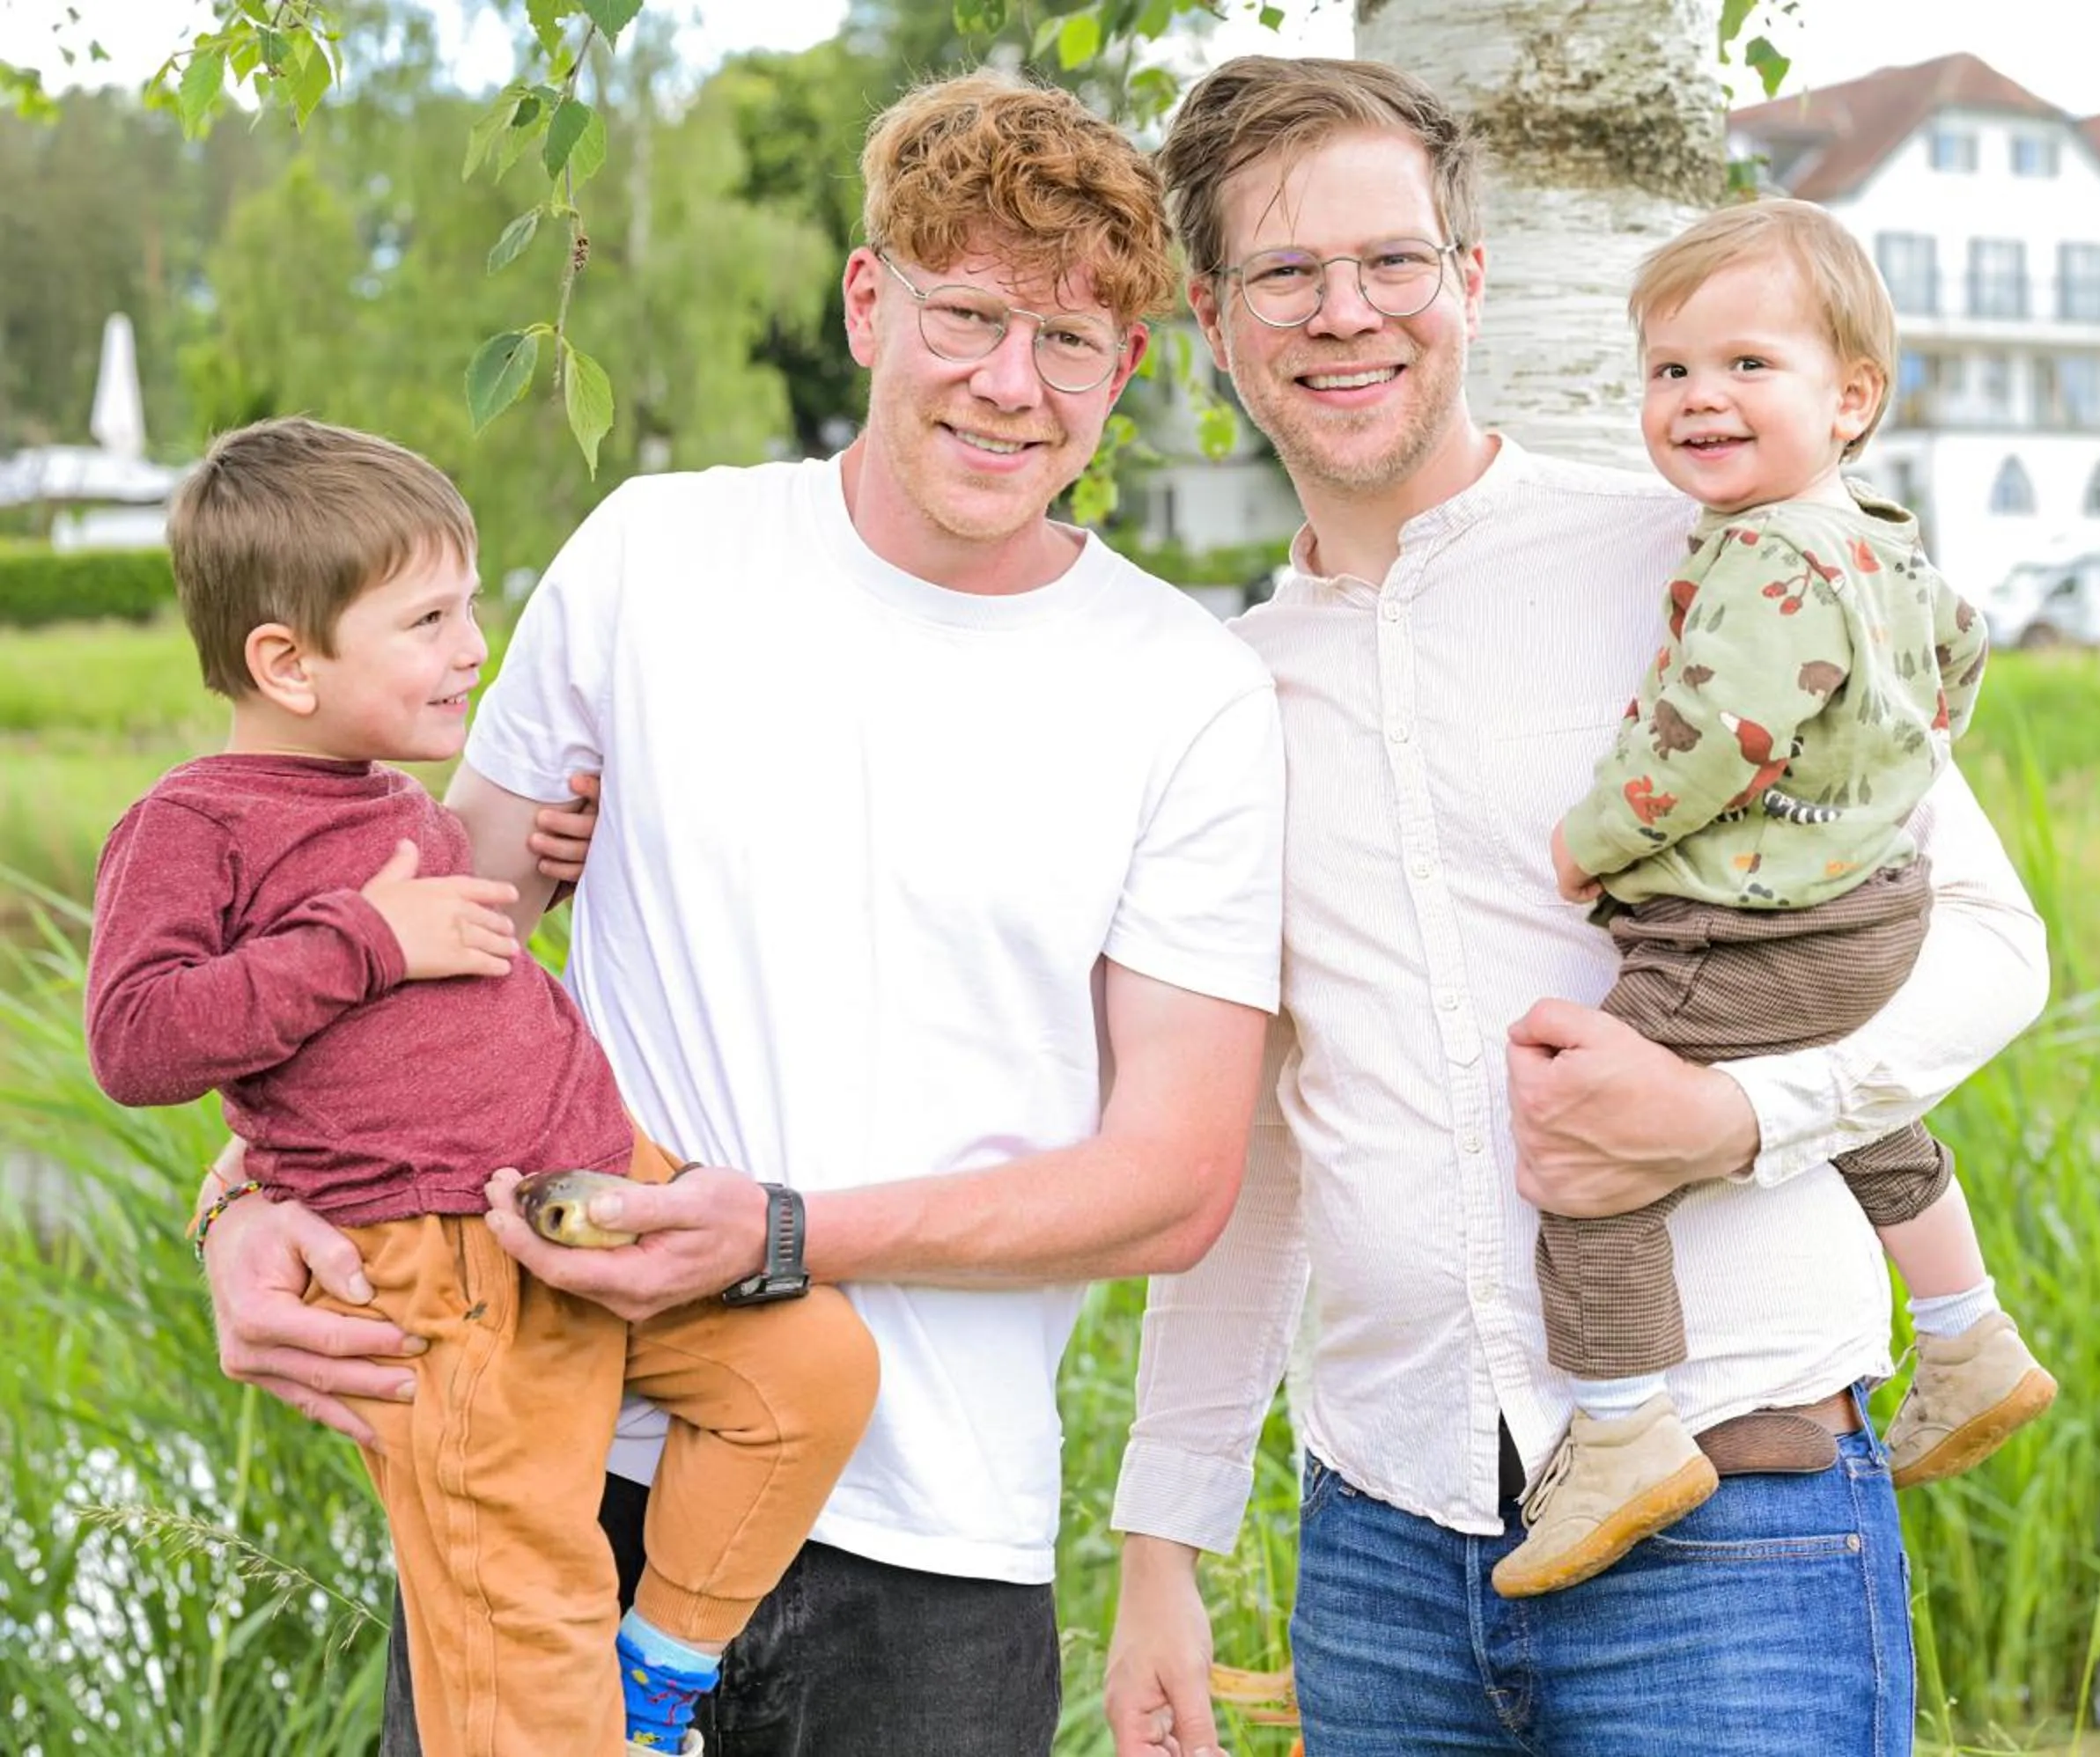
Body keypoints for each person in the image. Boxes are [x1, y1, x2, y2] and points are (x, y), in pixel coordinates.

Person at [191, 71, 1285, 1756]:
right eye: (969, 314)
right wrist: (241, 1206)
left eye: (1070, 341)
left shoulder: (1192, 693)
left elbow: (1176, 1183)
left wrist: (779, 1236)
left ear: (1127, 366)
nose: (1012, 382)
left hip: (933, 1554)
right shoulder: (653, 560)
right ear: (869, 302)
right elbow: (418, 953)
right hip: (564, 1469)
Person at [1105, 57, 2048, 1757]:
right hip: (1382, 1560)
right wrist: (1162, 1547)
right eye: (1286, 274)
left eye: (1394, 259)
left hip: (1736, 1534)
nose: (1347, 314)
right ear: (1212, 316)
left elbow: (1986, 946)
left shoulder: (1705, 562)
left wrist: (1732, 1115)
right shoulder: (1220, 694)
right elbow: (1245, 1149)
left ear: (1469, 280)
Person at [88, 415, 879, 1757]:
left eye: (472, 604)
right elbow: (137, 1037)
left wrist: (526, 867)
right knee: (521, 1627)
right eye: (430, 618)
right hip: (440, 1276)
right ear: (285, 661)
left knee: (808, 1371)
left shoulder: (381, 796)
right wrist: (368, 941)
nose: (473, 646)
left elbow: (436, 1010)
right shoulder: (194, 824)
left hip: (583, 1211)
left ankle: (659, 1675)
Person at [1496, 198, 2056, 1600]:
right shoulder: (1880, 536)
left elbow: (1716, 731)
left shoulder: (1764, 554)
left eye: (1748, 366)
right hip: (1871, 920)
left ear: (1850, 397)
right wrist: (1871, 785)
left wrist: (1594, 837)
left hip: (1744, 927)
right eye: (1670, 371)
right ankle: (1971, 1328)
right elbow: (1957, 672)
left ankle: (1623, 1429)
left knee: (1589, 1133)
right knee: (1861, 1106)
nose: (1699, 399)